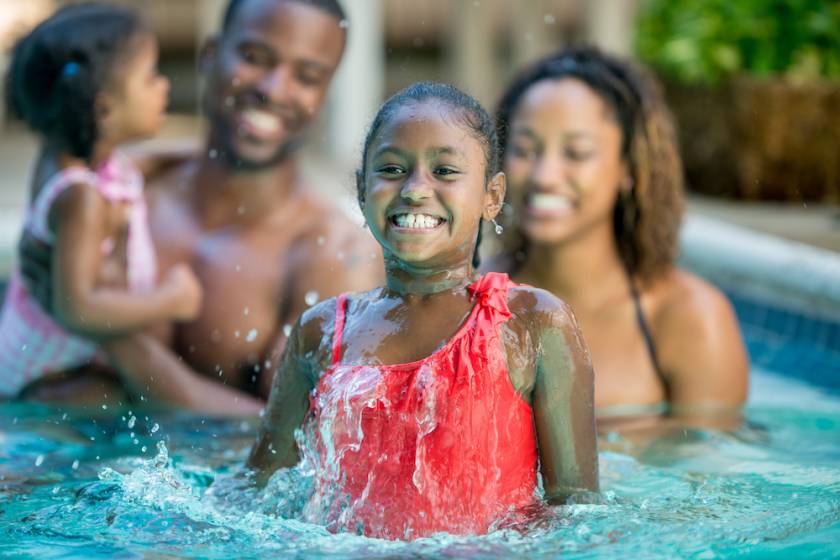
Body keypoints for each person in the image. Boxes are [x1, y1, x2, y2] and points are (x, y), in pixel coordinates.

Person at [247, 82, 598, 540]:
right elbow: (259, 490)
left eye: (445, 171)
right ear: (362, 189)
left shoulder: (532, 323)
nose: (414, 190)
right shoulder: (323, 331)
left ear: (492, 196)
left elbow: (575, 512)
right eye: (392, 169)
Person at [16, 0, 381, 413]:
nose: (274, 89)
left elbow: (299, 434)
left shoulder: (333, 255)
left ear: (325, 94)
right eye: (254, 57)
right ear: (210, 55)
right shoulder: (115, 193)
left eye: (307, 77)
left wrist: (106, 330)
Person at [493, 46, 749, 431]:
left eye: (576, 153)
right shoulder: (468, 300)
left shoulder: (690, 319)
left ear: (629, 167)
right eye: (524, 150)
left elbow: (716, 464)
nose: (545, 175)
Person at [0, 4, 203, 400]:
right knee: (121, 402)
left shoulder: (72, 156)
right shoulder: (81, 199)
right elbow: (77, 308)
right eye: (151, 76)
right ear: (105, 108)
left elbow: (135, 166)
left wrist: (193, 154)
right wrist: (171, 300)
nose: (164, 86)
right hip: (45, 377)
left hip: (56, 357)